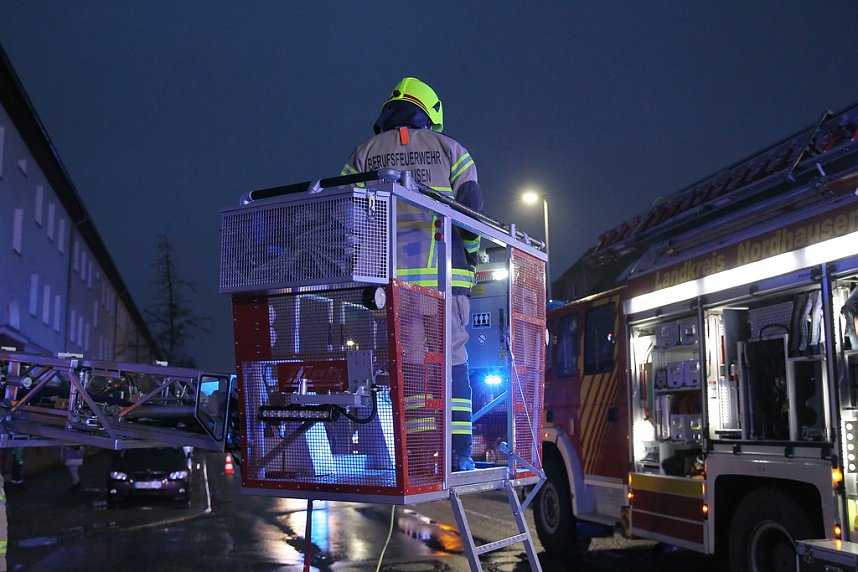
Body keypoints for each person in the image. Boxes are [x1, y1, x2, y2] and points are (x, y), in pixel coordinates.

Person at [342, 77, 484, 471]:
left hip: (393, 286)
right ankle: (458, 453)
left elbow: (348, 217)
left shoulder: (362, 154)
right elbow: (472, 218)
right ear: (429, 112)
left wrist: (364, 274)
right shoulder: (452, 150)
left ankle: (420, 453)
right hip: (445, 280)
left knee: (414, 368)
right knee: (453, 360)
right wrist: (469, 260)